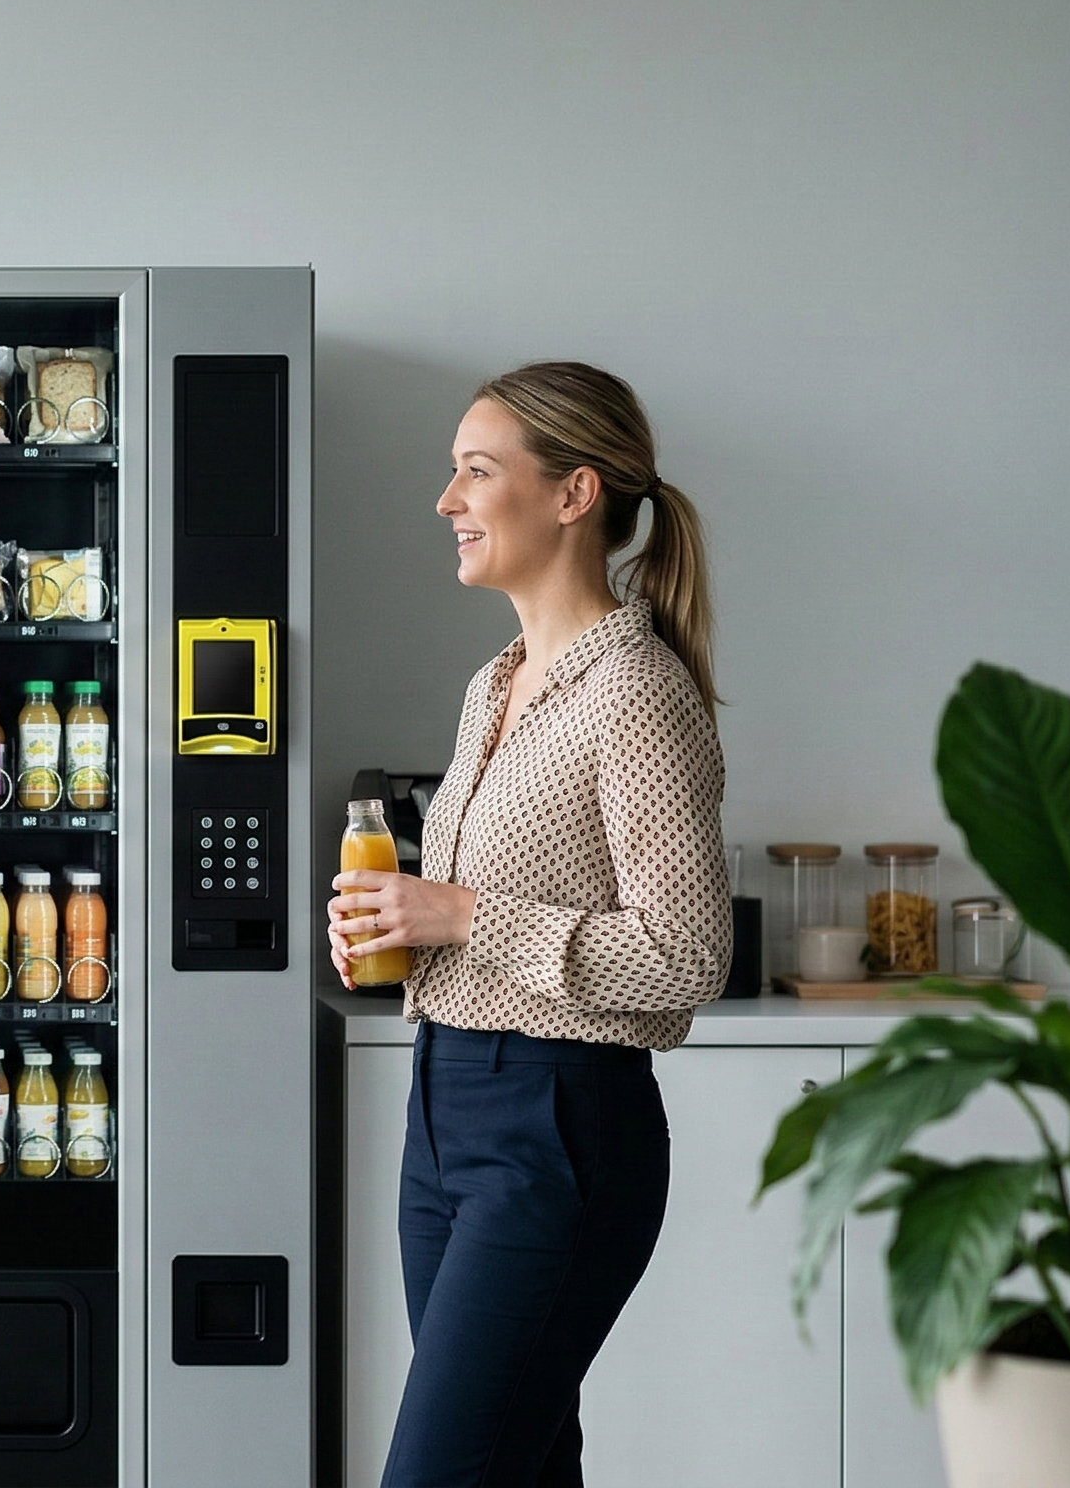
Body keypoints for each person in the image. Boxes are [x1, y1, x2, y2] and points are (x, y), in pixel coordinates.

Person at [326, 361, 729, 1487]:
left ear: (571, 494)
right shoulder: (492, 684)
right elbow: (472, 927)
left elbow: (685, 957)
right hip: (444, 1113)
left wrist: (457, 912)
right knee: (521, 1467)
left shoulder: (634, 690)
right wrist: (396, 927)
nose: (444, 500)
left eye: (474, 471)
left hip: (557, 1126)